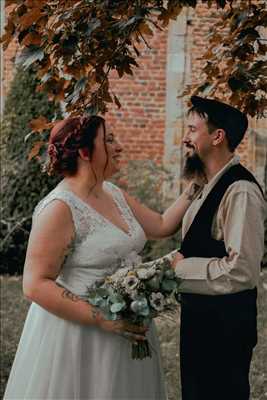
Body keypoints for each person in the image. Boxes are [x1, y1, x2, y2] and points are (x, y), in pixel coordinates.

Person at [4, 115, 201, 400]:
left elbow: (160, 225)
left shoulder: (112, 192)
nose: (119, 146)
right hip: (80, 338)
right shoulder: (59, 208)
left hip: (129, 327)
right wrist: (102, 319)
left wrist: (198, 183)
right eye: (109, 140)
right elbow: (34, 284)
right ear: (84, 153)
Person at [171, 96, 266, 400]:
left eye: (192, 130)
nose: (185, 138)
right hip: (200, 323)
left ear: (217, 136)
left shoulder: (241, 190)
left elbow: (242, 270)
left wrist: (179, 271)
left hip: (225, 330)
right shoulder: (204, 185)